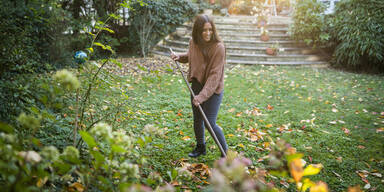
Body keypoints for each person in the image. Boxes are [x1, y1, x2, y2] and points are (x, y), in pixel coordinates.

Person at [171, 14, 228, 158]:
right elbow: (192, 56)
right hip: (196, 85)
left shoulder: (219, 47)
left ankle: (225, 153)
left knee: (209, 122)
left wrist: (202, 96)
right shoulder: (193, 42)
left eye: (210, 30)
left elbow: (215, 76)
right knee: (197, 119)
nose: (207, 33)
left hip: (213, 89)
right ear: (197, 31)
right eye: (204, 30)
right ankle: (200, 147)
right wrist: (180, 57)